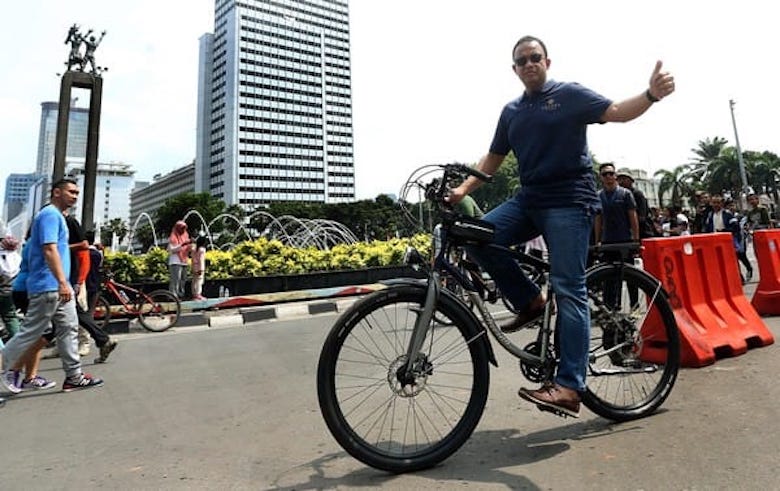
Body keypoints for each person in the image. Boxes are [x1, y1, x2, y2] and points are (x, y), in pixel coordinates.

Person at [449, 35, 674, 418]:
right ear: (514, 69)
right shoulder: (512, 111)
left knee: (569, 287)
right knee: (476, 236)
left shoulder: (568, 95)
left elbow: (617, 110)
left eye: (535, 57)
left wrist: (650, 95)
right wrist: (461, 190)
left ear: (547, 62)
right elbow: (492, 159)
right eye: (522, 60)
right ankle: (530, 302)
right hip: (529, 199)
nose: (529, 64)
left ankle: (569, 386)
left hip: (570, 199)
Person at [0, 178, 103, 394]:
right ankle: (8, 369)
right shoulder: (49, 215)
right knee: (30, 333)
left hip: (57, 287)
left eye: (77, 192)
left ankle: (74, 376)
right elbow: (49, 249)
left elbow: (59, 248)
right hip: (48, 286)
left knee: (68, 329)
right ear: (56, 192)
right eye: (70, 192)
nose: (75, 196)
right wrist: (62, 282)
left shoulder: (58, 217)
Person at [594, 163, 640, 307]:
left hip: (625, 240)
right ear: (601, 178)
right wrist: (597, 241)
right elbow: (598, 220)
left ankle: (635, 305)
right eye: (605, 174)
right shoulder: (598, 196)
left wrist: (636, 240)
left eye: (611, 173)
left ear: (615, 176)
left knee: (630, 275)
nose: (608, 176)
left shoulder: (626, 194)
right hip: (608, 242)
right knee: (609, 277)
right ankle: (611, 306)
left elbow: (633, 217)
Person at [616, 171, 655, 239]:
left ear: (631, 181)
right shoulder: (620, 195)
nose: (621, 182)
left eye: (624, 179)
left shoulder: (637, 194)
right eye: (619, 179)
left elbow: (642, 216)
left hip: (642, 231)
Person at [168, 221, 192, 299]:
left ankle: (181, 295)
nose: (183, 230)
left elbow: (188, 249)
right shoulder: (173, 236)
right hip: (175, 261)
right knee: (176, 279)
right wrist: (181, 245)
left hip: (184, 261)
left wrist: (190, 244)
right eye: (181, 228)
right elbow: (171, 249)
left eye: (184, 228)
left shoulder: (185, 236)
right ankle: (173, 296)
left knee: (183, 279)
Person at [191, 235, 208, 301]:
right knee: (199, 281)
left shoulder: (193, 249)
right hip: (199, 267)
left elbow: (192, 259)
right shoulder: (202, 250)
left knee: (194, 281)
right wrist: (201, 269)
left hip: (194, 266)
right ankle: (198, 295)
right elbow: (201, 260)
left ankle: (194, 295)